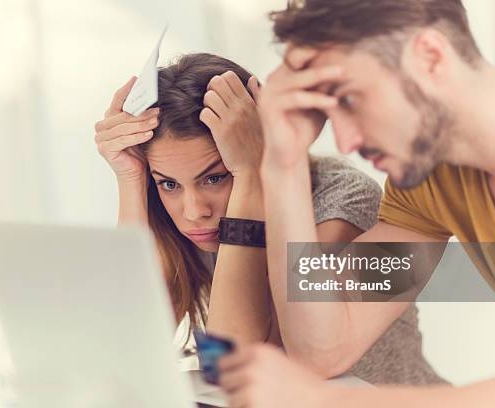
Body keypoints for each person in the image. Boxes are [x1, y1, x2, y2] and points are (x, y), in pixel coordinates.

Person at [218, 0, 495, 406]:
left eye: (350, 100)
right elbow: (325, 347)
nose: (347, 141)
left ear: (431, 57)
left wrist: (331, 402)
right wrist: (283, 164)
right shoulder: (431, 181)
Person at [94, 53, 445, 385]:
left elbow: (235, 360)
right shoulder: (189, 226)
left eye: (215, 177)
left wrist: (250, 173)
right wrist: (131, 178)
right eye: (168, 183)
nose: (193, 210)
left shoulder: (340, 200)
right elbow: (128, 344)